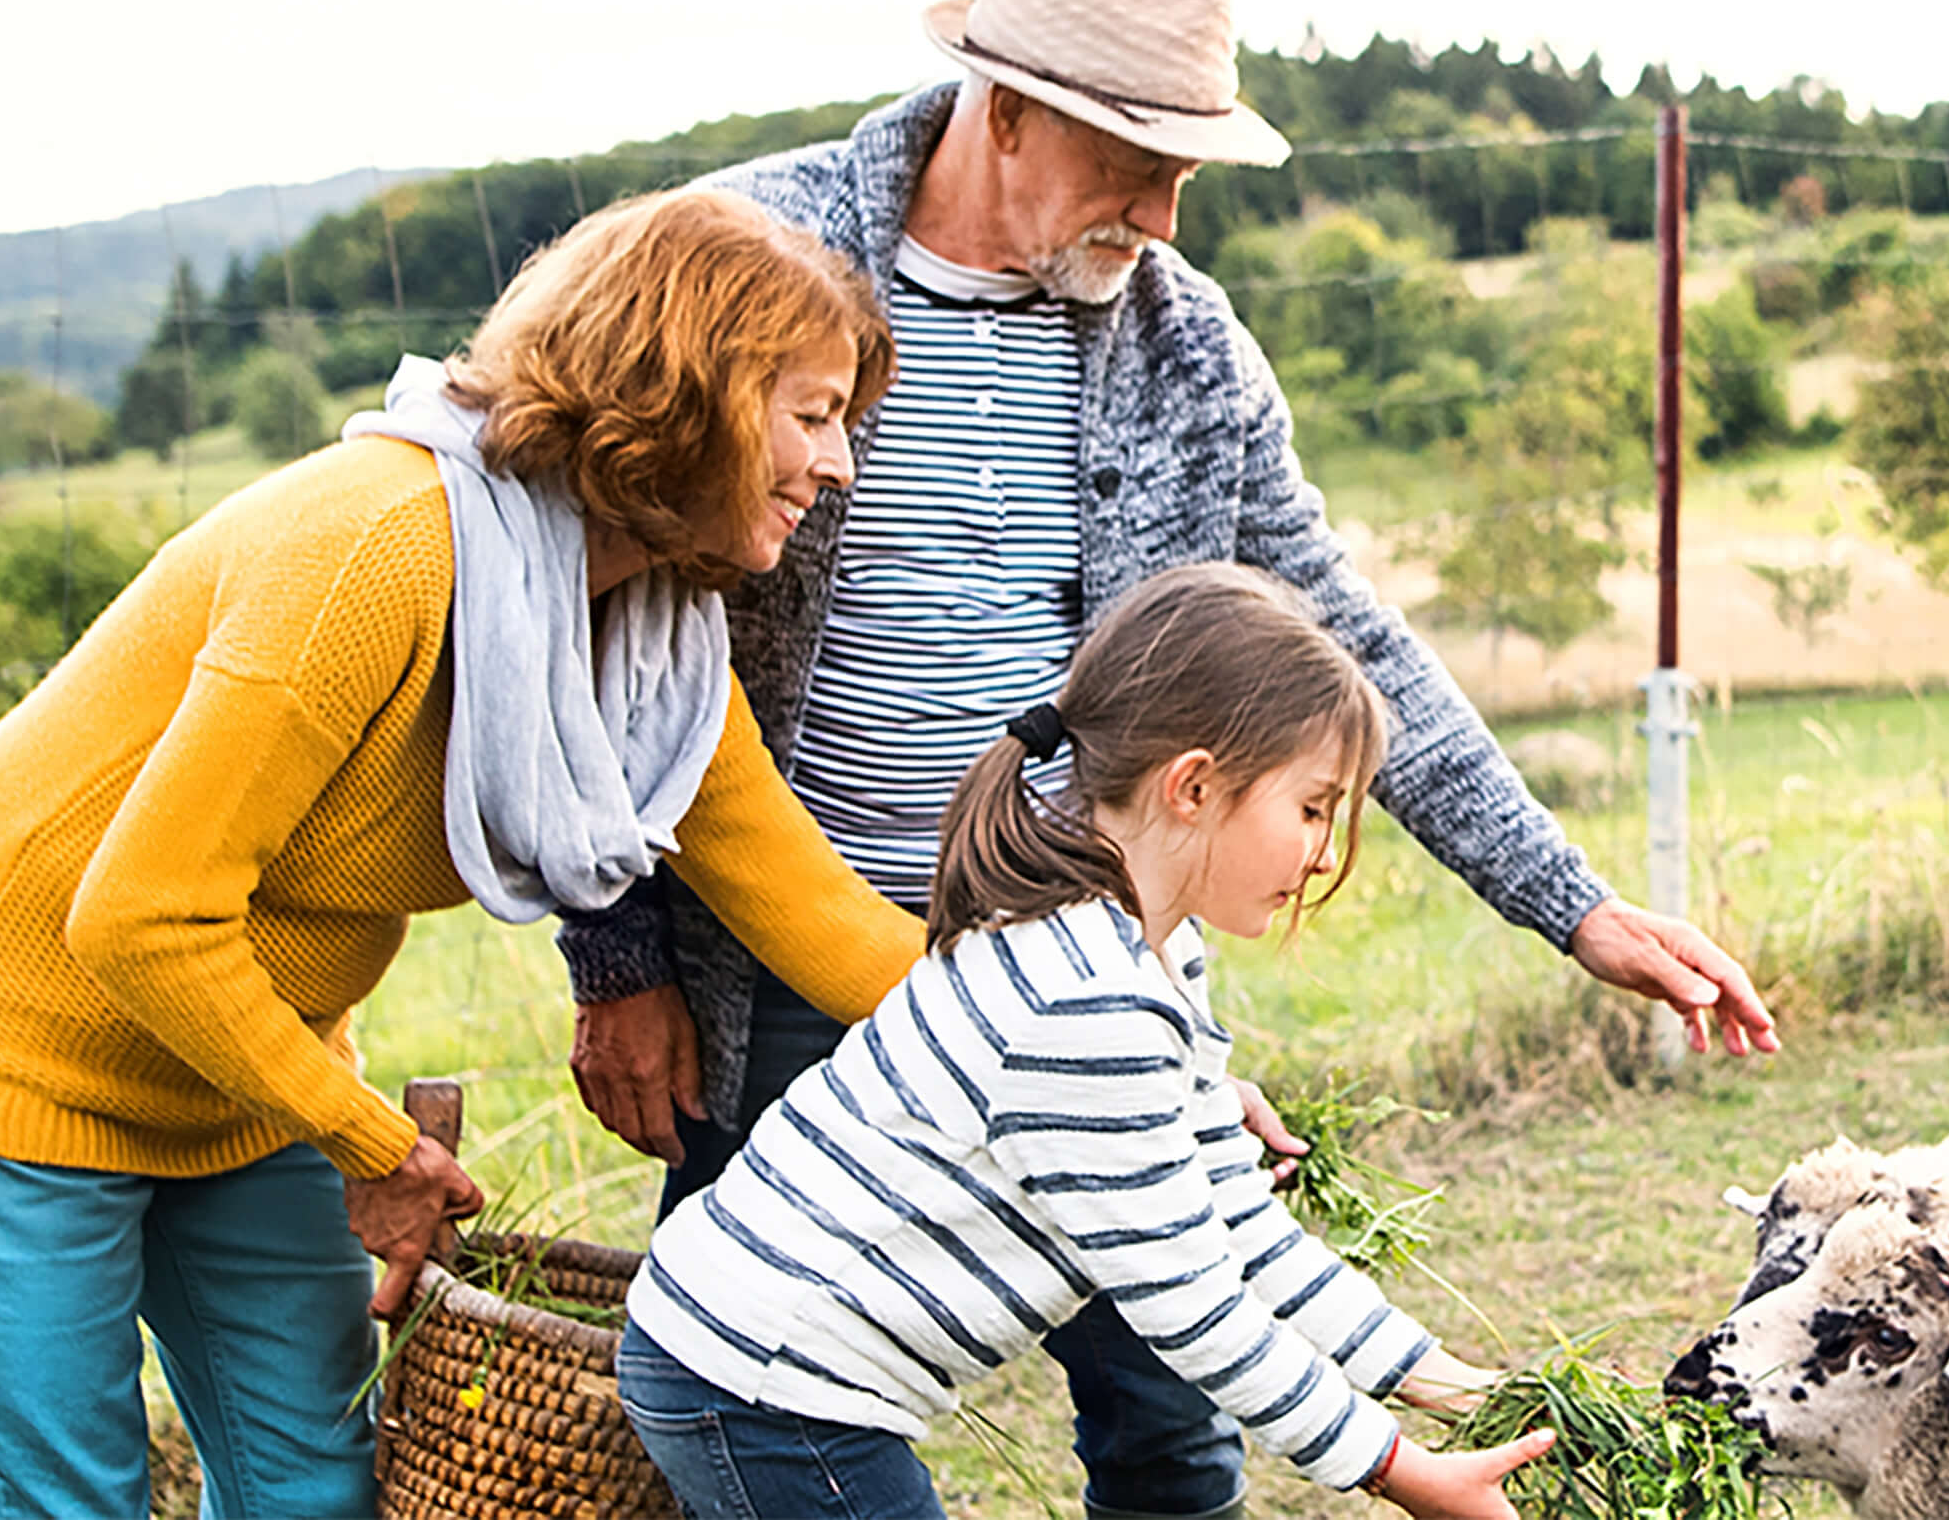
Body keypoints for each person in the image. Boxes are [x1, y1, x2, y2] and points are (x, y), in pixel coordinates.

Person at [558, 0, 1778, 1516]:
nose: (1166, 210)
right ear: (1002, 109)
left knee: (1173, 1419)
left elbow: (1340, 641)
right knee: (770, 1391)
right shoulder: (758, 259)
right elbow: (597, 621)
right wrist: (623, 955)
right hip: (781, 954)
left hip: (1071, 930)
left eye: (1187, 168)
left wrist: (1577, 904)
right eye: (1138, 158)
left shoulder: (1185, 338)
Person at [0, 188, 928, 1520]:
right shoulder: (373, 549)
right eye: (813, 414)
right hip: (20, 1049)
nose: (839, 465)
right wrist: (368, 1139)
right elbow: (134, 915)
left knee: (315, 1482)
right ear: (685, 386)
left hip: (246, 1064)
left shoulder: (645, 647)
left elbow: (824, 917)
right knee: (57, 1498)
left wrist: (1135, 1057)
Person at [620, 563, 1554, 1520]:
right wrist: (1398, 1467)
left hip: (757, 1361)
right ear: (1193, 785)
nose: (1325, 850)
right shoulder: (1087, 1003)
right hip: (759, 1381)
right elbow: (1192, 1304)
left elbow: (1236, 1219)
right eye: (1313, 806)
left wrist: (1448, 1383)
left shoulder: (1149, 946)